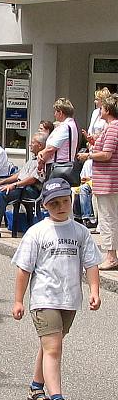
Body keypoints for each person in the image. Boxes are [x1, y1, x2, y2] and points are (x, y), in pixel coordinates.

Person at [12, 178, 102, 400]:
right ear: (45, 206)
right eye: (54, 203)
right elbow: (24, 269)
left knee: (50, 345)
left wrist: (94, 290)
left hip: (70, 299)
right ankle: (58, 399)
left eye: (64, 201)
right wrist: (18, 300)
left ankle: (36, 387)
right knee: (54, 348)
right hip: (44, 298)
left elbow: (91, 263)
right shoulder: (37, 232)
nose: (61, 206)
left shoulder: (80, 232)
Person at [76, 94, 118, 270]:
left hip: (109, 181)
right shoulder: (111, 128)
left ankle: (111, 256)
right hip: (107, 181)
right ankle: (111, 254)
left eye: (101, 108)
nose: (99, 110)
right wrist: (94, 141)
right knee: (110, 218)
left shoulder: (113, 128)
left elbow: (107, 155)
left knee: (108, 219)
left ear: (107, 110)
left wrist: (88, 155)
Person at [0, 132, 47, 238]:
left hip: (29, 189)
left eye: (32, 143)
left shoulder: (43, 159)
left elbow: (33, 179)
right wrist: (2, 182)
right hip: (19, 185)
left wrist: (14, 185)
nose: (29, 145)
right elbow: (19, 174)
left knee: (1, 193)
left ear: (40, 145)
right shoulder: (32, 158)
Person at [37, 98, 78, 174]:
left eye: (56, 111)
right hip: (64, 166)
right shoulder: (71, 125)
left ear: (61, 113)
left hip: (58, 167)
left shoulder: (64, 127)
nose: (54, 114)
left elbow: (51, 149)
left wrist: (41, 159)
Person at [72, 158, 95, 228]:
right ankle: (77, 216)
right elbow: (82, 178)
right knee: (76, 190)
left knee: (83, 189)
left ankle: (88, 217)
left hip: (97, 182)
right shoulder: (87, 163)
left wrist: (90, 179)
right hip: (87, 183)